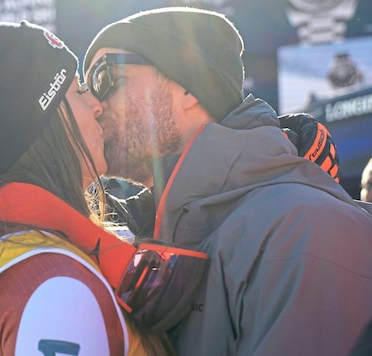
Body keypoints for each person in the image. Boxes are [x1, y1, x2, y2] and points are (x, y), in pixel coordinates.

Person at [0, 21, 212, 355]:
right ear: (46, 125)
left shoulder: (19, 252)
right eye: (79, 90)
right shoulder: (55, 291)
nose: (98, 104)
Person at [82, 7, 372, 355]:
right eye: (85, 88)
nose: (94, 104)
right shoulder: (151, 235)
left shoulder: (306, 231)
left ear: (187, 85)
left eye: (104, 77)